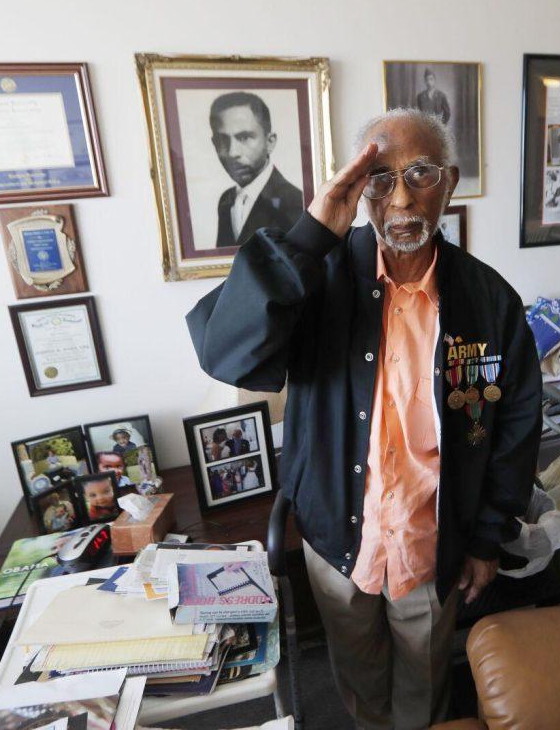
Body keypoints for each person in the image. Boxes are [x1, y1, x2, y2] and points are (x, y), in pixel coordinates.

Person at [187, 108, 540, 729]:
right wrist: (309, 234)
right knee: (359, 686)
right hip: (337, 538)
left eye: (421, 173)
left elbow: (515, 425)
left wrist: (489, 534)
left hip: (433, 545)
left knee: (424, 690)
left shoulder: (490, 301)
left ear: (450, 182)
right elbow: (224, 351)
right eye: (380, 178)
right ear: (356, 188)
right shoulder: (314, 273)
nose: (402, 197)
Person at [210, 91, 304, 247]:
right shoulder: (226, 200)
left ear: (270, 142)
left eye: (244, 137)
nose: (233, 152)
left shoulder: (295, 203)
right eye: (222, 140)